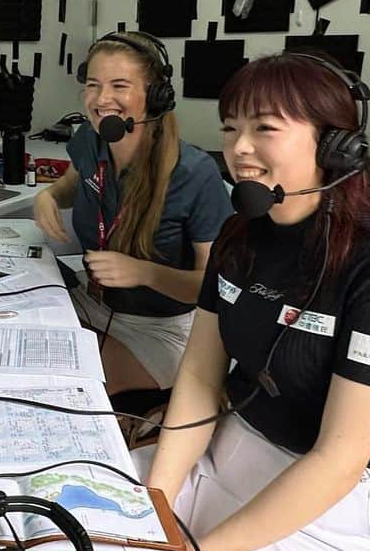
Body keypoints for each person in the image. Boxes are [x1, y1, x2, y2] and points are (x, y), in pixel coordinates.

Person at [144, 52, 370, 551]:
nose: (239, 148)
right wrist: (154, 503)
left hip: (336, 508)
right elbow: (198, 377)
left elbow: (338, 461)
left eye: (265, 128)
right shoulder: (238, 237)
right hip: (231, 452)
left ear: (336, 145)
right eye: (231, 127)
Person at [34, 32, 233, 395]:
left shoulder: (194, 173)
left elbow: (214, 288)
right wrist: (49, 195)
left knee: (64, 385)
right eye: (93, 85)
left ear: (156, 97)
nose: (102, 98)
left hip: (161, 329)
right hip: (92, 301)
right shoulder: (92, 140)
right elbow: (74, 182)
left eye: (119, 85)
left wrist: (145, 272)